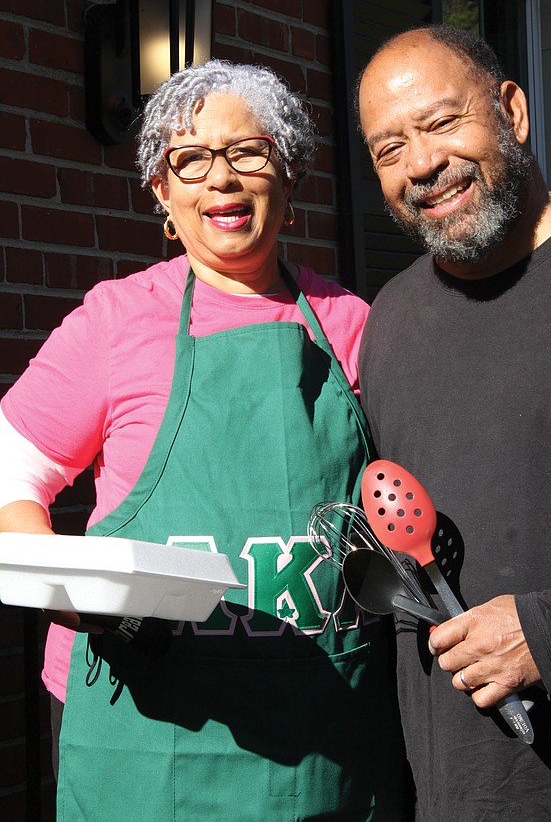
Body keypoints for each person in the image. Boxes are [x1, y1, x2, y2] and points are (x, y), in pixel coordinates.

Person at [0, 59, 409, 821]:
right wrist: (69, 591)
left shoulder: (356, 323)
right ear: (163, 193)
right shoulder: (114, 321)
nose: (219, 178)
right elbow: (10, 477)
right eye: (188, 160)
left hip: (322, 717)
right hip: (149, 724)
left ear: (288, 179)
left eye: (248, 152)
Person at [356, 24, 551, 820]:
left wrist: (547, 632)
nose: (422, 164)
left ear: (513, 109)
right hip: (455, 796)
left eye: (441, 123)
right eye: (388, 148)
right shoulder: (391, 321)